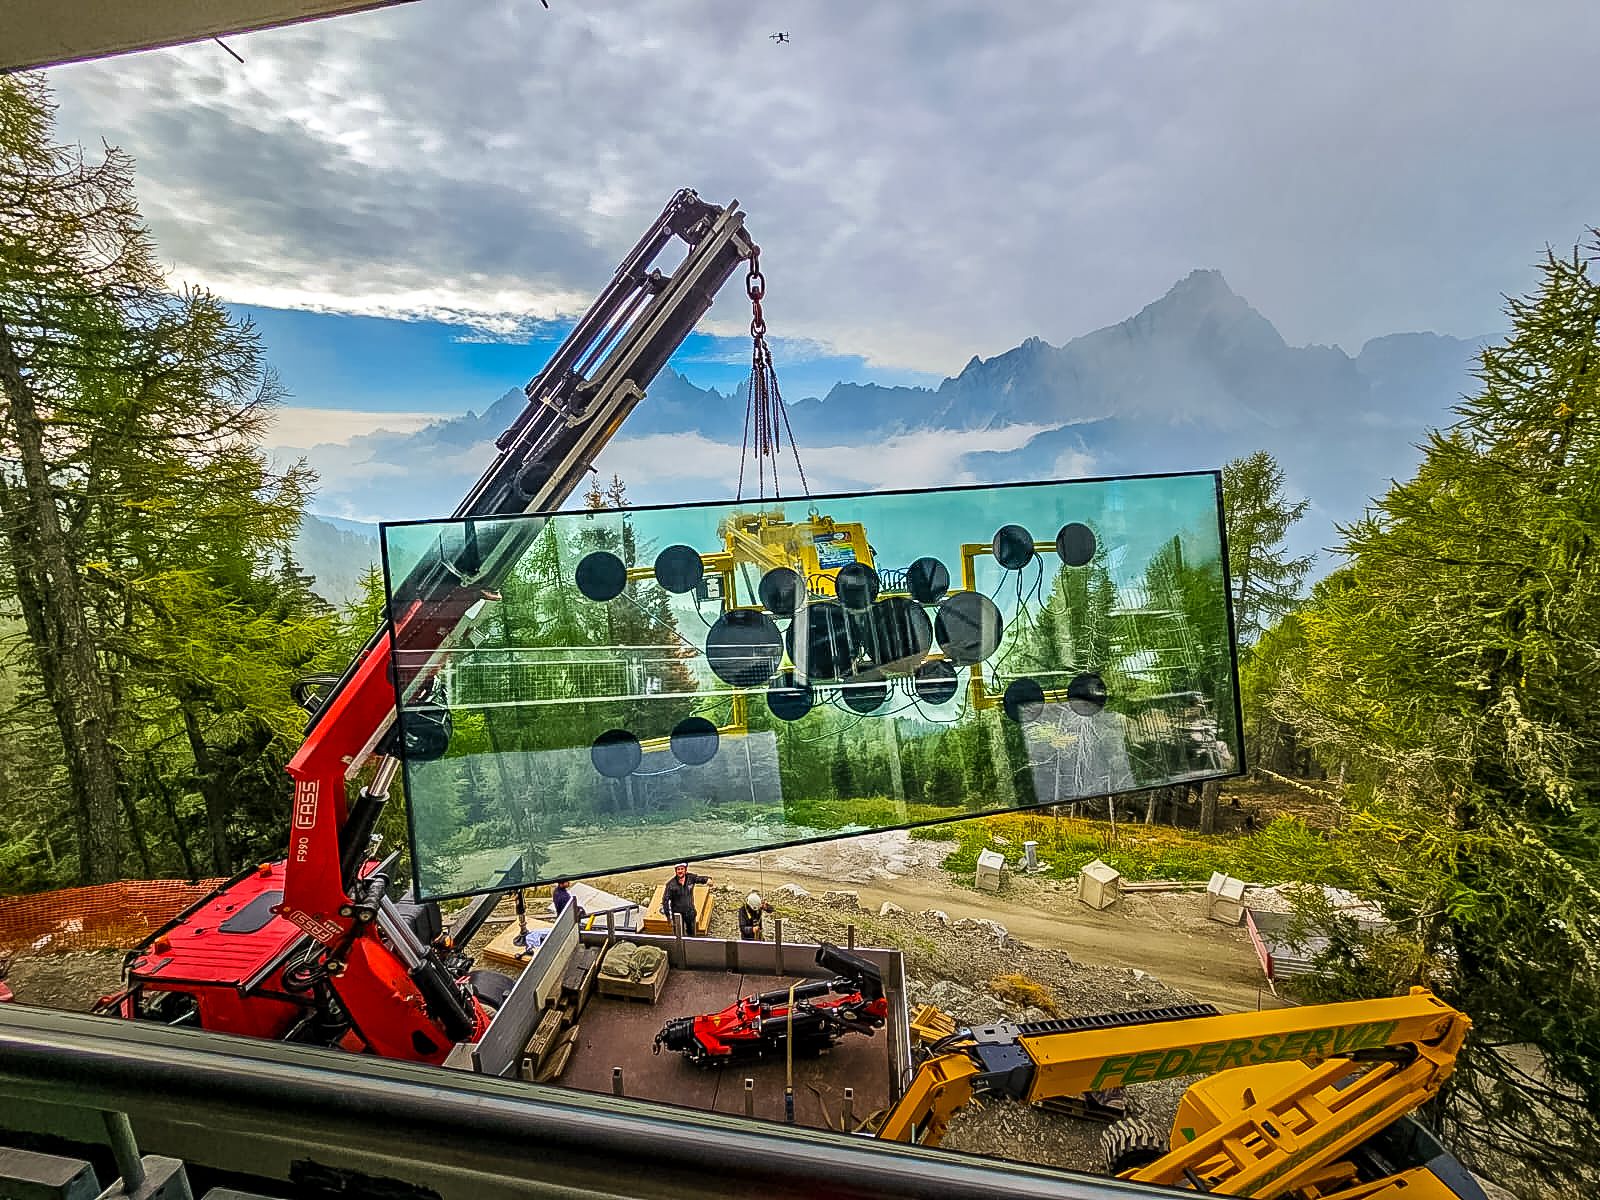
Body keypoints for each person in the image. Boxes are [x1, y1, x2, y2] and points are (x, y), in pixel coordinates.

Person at [661, 862, 710, 936]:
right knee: (679, 935)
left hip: (690, 912)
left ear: (685, 870)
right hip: (677, 914)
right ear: (675, 871)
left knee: (692, 934)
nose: (680, 871)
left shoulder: (691, 878)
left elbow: (699, 879)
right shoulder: (671, 884)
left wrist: (707, 880)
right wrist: (669, 917)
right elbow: (665, 901)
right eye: (678, 869)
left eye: (682, 869)